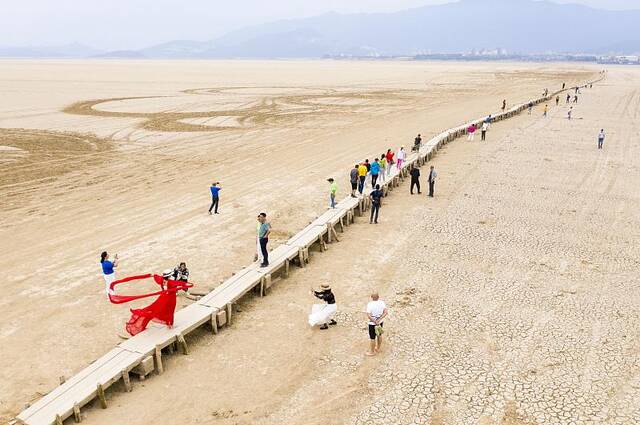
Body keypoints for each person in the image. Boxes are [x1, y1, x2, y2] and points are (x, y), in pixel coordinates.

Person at [124, 269, 190, 336]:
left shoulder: (161, 280)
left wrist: (153, 275)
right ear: (170, 276)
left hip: (163, 297)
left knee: (153, 309)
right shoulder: (171, 282)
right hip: (171, 299)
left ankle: (168, 324)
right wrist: (186, 284)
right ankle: (170, 325)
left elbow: (156, 277)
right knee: (170, 310)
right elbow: (181, 283)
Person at [365, 292, 388, 356]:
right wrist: (379, 319)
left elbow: (369, 316)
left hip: (372, 323)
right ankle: (378, 348)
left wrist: (375, 321)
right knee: (379, 334)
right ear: (378, 297)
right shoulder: (382, 303)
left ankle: (372, 352)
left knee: (372, 338)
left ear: (371, 297)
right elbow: (385, 312)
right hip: (380, 322)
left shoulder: (370, 304)